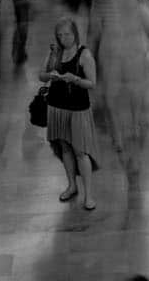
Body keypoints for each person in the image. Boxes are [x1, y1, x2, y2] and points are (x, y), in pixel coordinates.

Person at [38, 17, 99, 210]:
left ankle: (89, 194)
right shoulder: (55, 52)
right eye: (60, 35)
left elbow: (92, 83)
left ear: (75, 33)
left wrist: (75, 79)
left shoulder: (84, 54)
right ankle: (72, 185)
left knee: (80, 151)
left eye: (68, 34)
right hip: (57, 106)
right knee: (64, 147)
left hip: (77, 108)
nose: (64, 38)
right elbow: (41, 75)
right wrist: (50, 76)